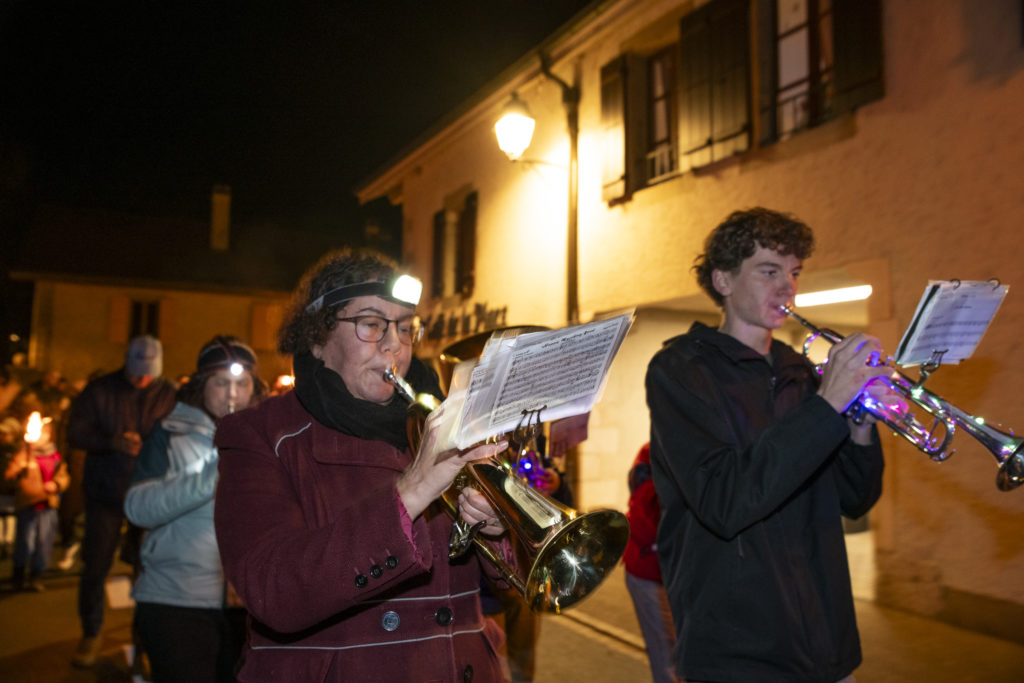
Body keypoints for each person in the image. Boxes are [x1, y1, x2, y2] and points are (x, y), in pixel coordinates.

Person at [213, 249, 512, 682]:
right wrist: (414, 489)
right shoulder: (258, 434)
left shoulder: (444, 421)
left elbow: (509, 587)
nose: (395, 344)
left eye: (406, 327)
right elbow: (271, 591)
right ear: (318, 338)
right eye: (372, 324)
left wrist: (496, 529)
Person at [646, 207, 892, 682]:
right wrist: (828, 405)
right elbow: (725, 500)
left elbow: (855, 499)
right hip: (740, 650)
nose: (787, 287)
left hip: (827, 641)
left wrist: (860, 424)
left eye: (794, 272)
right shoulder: (681, 371)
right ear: (723, 280)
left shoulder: (802, 372)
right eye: (769, 271)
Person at [125, 336, 265, 682]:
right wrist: (213, 472)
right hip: (176, 600)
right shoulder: (170, 433)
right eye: (220, 383)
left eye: (242, 383)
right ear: (201, 385)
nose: (232, 394)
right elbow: (137, 508)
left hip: (248, 604)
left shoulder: (267, 438)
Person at [67, 335, 177, 668]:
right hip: (106, 492)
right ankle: (91, 632)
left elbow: (181, 435)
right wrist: (112, 441)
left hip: (149, 494)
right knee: (96, 566)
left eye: (149, 373)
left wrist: (157, 446)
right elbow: (75, 433)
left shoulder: (168, 393)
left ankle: (143, 641)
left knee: (149, 570)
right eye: (136, 372)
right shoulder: (99, 390)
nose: (142, 379)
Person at [623, 442, 676, 683]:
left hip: (674, 572)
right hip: (650, 569)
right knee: (667, 661)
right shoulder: (655, 452)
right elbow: (655, 511)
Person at [4, 412, 69, 591]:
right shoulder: (23, 455)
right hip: (29, 506)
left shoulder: (55, 457)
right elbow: (9, 475)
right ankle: (18, 576)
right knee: (25, 542)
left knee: (43, 543)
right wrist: (19, 469)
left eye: (45, 433)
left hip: (48, 506)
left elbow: (64, 476)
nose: (42, 437)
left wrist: (56, 484)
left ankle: (36, 576)